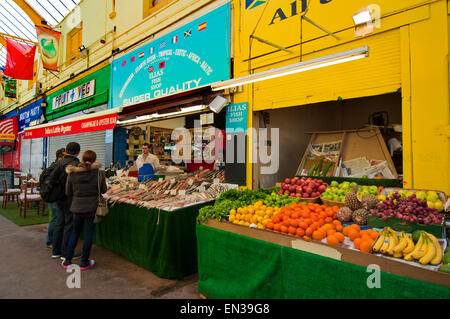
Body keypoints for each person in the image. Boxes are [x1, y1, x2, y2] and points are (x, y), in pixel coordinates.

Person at [62, 150, 107, 270]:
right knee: (88, 234)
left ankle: (67, 260)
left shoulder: (72, 173)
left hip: (77, 207)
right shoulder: (98, 173)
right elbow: (103, 190)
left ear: (82, 158)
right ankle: (84, 262)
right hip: (92, 208)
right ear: (94, 159)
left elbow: (68, 192)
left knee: (75, 233)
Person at [50, 142, 81, 260]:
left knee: (59, 222)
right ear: (78, 152)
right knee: (69, 224)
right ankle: (66, 252)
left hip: (58, 197)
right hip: (70, 198)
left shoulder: (58, 163)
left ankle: (56, 251)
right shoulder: (76, 165)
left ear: (66, 151)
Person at [45, 148, 65, 250]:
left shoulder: (54, 165)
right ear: (60, 157)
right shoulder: (57, 167)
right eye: (65, 156)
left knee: (56, 218)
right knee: (56, 219)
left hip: (53, 196)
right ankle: (52, 242)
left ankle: (52, 241)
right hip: (55, 197)